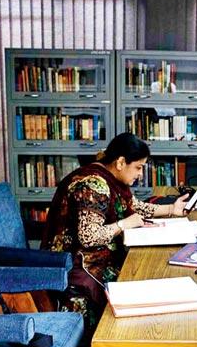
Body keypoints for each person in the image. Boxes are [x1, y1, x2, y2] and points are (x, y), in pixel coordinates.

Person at [41, 132, 189, 334]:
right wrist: (122, 224)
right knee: (145, 270)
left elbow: (133, 206)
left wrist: (172, 209)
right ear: (120, 162)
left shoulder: (110, 177)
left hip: (94, 252)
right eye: (137, 168)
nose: (140, 174)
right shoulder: (94, 185)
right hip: (75, 260)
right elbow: (88, 236)